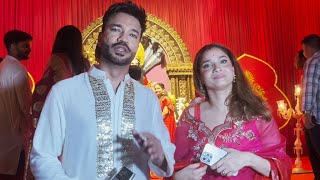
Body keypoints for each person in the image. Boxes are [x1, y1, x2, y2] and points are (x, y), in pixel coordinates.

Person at [30, 1, 175, 180]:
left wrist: (160, 158)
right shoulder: (64, 92)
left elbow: (165, 160)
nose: (123, 38)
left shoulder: (148, 98)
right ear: (100, 37)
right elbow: (42, 156)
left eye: (133, 34)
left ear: (138, 45)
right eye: (116, 29)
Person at [171, 43, 291, 180]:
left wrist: (248, 159)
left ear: (234, 70)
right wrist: (177, 177)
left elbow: (282, 166)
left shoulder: (256, 113)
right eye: (207, 65)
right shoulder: (189, 117)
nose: (217, 68)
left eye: (223, 61)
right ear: (200, 77)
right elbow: (174, 165)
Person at [25, 25, 90, 180]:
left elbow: (44, 89)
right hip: (80, 121)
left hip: (58, 118)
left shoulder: (57, 60)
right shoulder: (85, 64)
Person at [32, 25, 90, 123]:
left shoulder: (56, 59)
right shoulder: (85, 62)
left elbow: (49, 84)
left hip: (61, 107)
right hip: (80, 107)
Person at [0, 30, 33, 180]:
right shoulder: (18, 70)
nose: (29, 49)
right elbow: (27, 108)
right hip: (15, 142)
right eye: (25, 46)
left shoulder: (2, 66)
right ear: (12, 46)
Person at [301, 34, 320, 180]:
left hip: (317, 118)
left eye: (303, 49)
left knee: (316, 156)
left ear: (308, 47)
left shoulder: (313, 61)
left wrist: (306, 113)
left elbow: (309, 88)